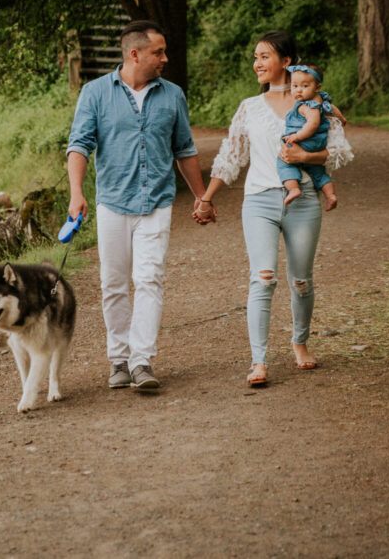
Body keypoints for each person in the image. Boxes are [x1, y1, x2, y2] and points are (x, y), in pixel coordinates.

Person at [196, 31, 352, 387]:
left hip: (305, 201)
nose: (257, 64)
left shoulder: (316, 105)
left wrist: (305, 157)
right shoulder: (248, 108)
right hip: (259, 202)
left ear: (287, 62)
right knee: (262, 277)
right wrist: (207, 198)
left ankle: (299, 342)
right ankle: (259, 360)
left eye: (264, 56)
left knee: (300, 281)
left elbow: (340, 151)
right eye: (255, 57)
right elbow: (230, 158)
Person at [66, 20, 212, 392]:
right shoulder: (95, 93)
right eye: (158, 52)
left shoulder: (172, 95)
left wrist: (202, 196)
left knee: (149, 279)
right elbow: (79, 145)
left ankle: (141, 360)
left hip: (157, 201)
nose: (165, 58)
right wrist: (76, 193)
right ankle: (118, 360)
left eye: (164, 52)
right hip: (113, 203)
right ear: (135, 54)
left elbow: (185, 149)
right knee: (113, 284)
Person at [278, 63, 339, 211]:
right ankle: (330, 195)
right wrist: (342, 119)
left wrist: (297, 136)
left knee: (284, 162)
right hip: (317, 144)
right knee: (318, 173)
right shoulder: (322, 101)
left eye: (304, 86)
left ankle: (293, 188)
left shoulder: (308, 106)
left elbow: (312, 125)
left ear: (317, 87)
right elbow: (334, 110)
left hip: (305, 141)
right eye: (294, 86)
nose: (298, 90)